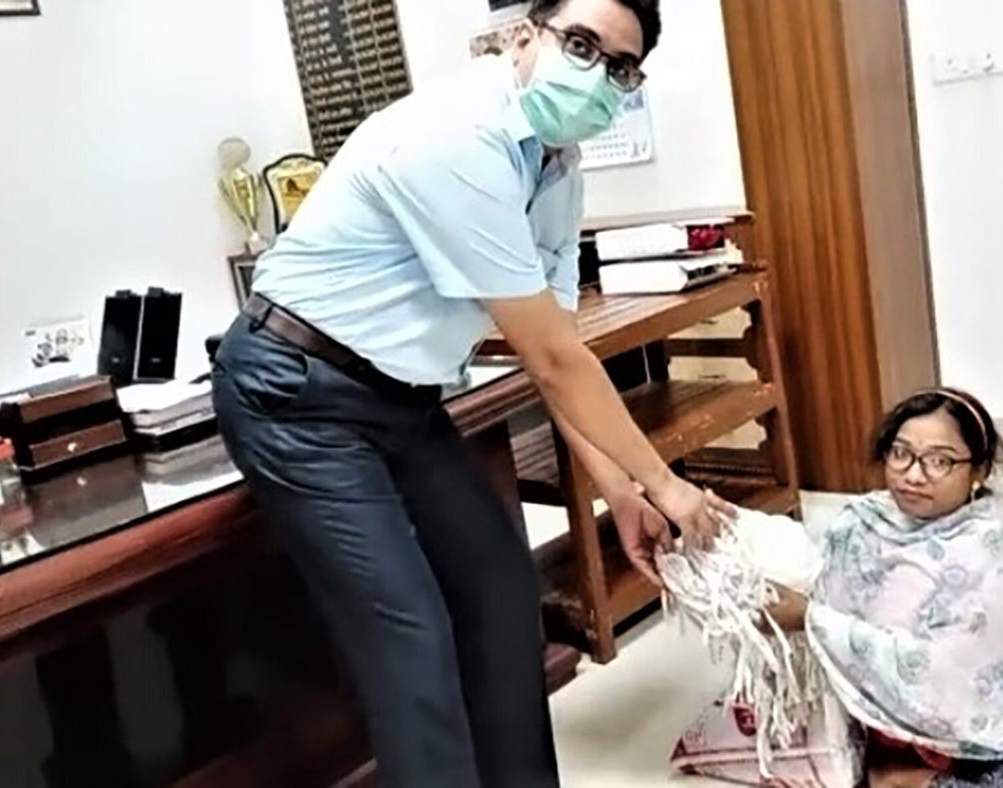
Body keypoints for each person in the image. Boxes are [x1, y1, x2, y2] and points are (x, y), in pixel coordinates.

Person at [210, 1, 731, 786]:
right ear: (525, 34)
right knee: (412, 636)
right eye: (581, 44)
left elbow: (555, 354)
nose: (599, 76)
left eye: (621, 67)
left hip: (401, 399)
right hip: (296, 391)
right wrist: (665, 483)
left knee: (500, 594)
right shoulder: (455, 136)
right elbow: (555, 361)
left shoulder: (557, 169)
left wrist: (622, 492)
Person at [670, 390, 1003, 787]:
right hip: (873, 718)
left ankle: (897, 776)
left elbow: (942, 675)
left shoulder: (987, 556)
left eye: (939, 461)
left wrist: (809, 618)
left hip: (965, 737)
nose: (914, 474)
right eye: (901, 453)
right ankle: (890, 770)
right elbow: (816, 579)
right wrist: (737, 530)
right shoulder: (863, 520)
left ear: (979, 471)